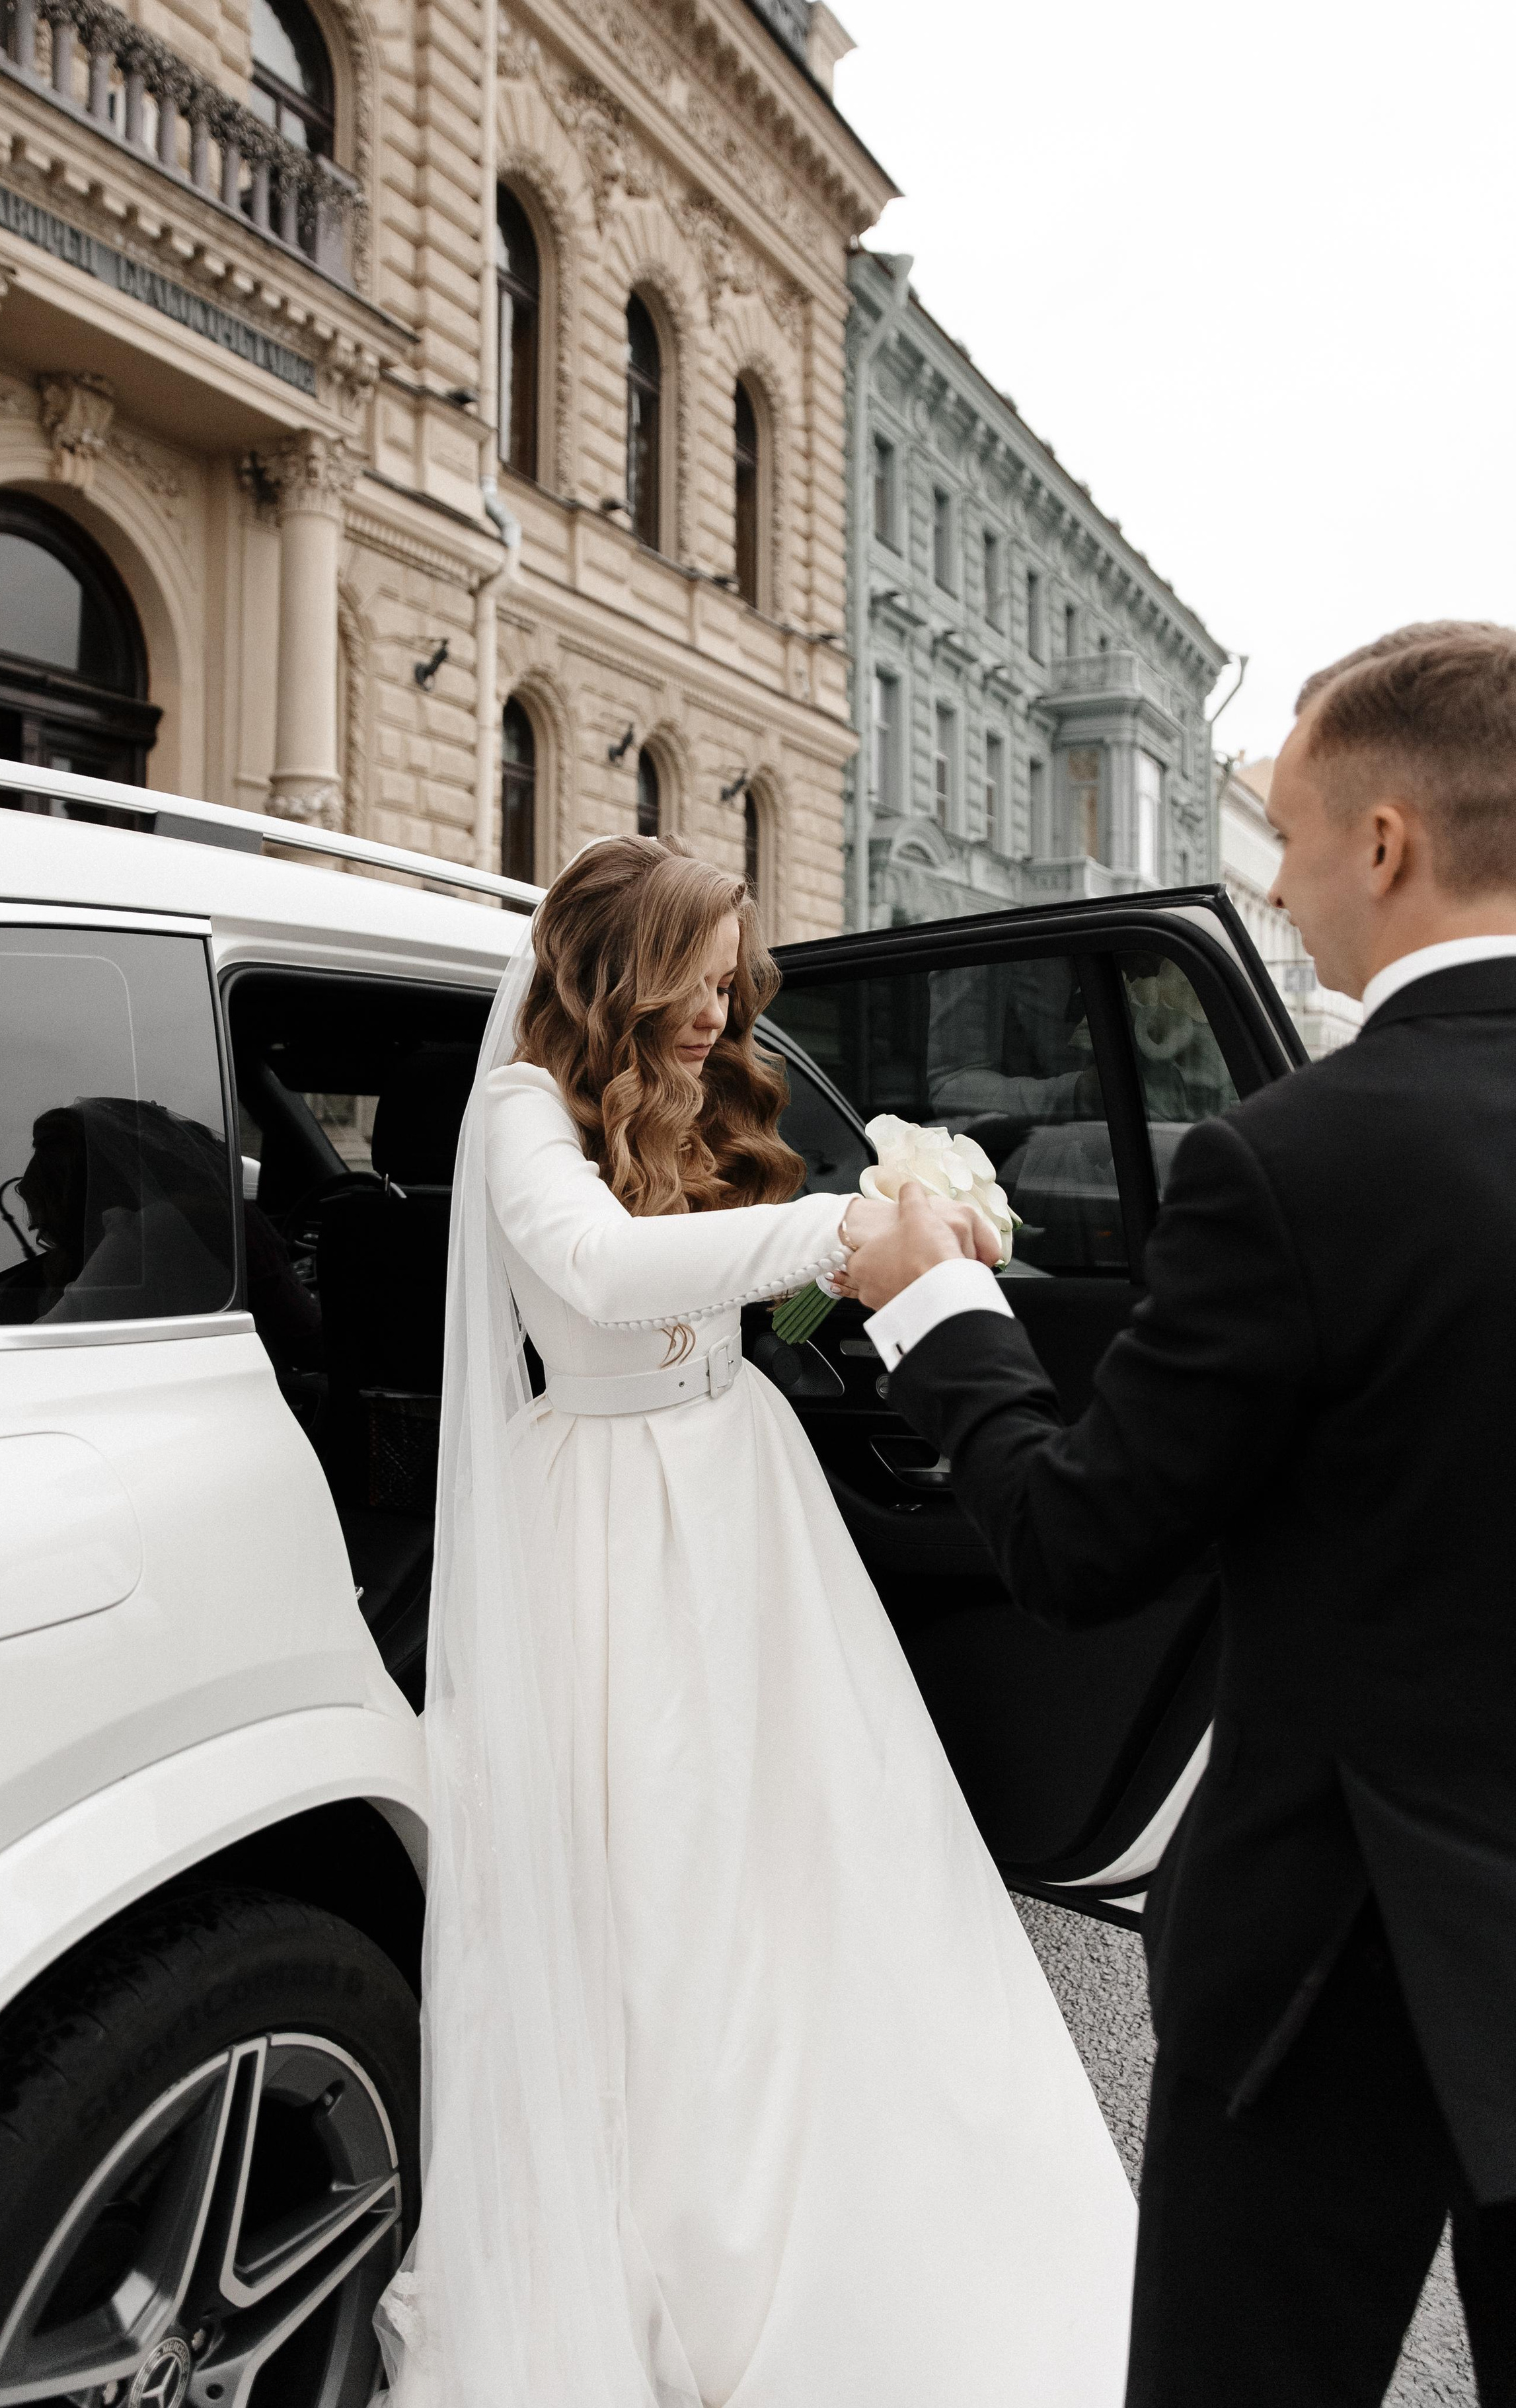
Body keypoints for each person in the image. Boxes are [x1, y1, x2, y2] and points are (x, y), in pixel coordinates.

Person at [841, 621, 1516, 2407]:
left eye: (1289, 837)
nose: (1279, 887)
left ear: (1384, 844)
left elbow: (1078, 1543)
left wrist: (933, 1305)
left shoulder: (1299, 1159)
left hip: (1334, 1964)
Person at [376, 835, 1135, 2407]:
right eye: (700, 973)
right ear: (620, 960)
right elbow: (594, 1268)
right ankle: (690, 2215)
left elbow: (723, 1294)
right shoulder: (525, 1105)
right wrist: (845, 1236)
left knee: (802, 1846)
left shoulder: (683, 1097)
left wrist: (878, 1261)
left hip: (743, 1492)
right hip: (611, 1516)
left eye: (735, 977)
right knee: (654, 1867)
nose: (724, 1007)